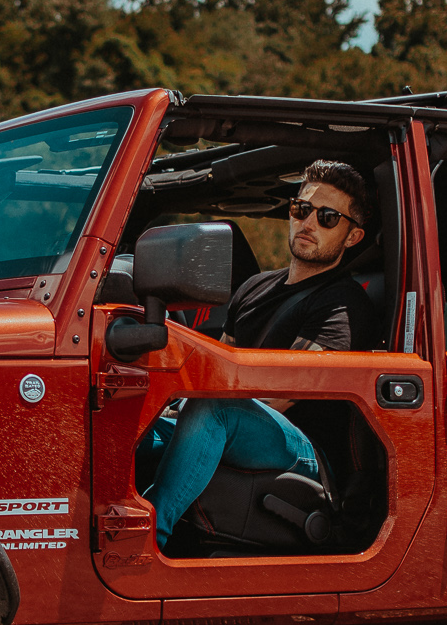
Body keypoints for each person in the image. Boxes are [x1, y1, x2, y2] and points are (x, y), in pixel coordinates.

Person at [145, 160, 381, 551]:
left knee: (213, 408)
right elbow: (217, 367)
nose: (308, 223)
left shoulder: (343, 304)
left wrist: (199, 402)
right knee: (137, 424)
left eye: (327, 217)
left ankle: (147, 540)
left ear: (353, 236)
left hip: (304, 450)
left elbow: (281, 395)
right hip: (239, 421)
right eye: (301, 209)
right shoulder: (254, 287)